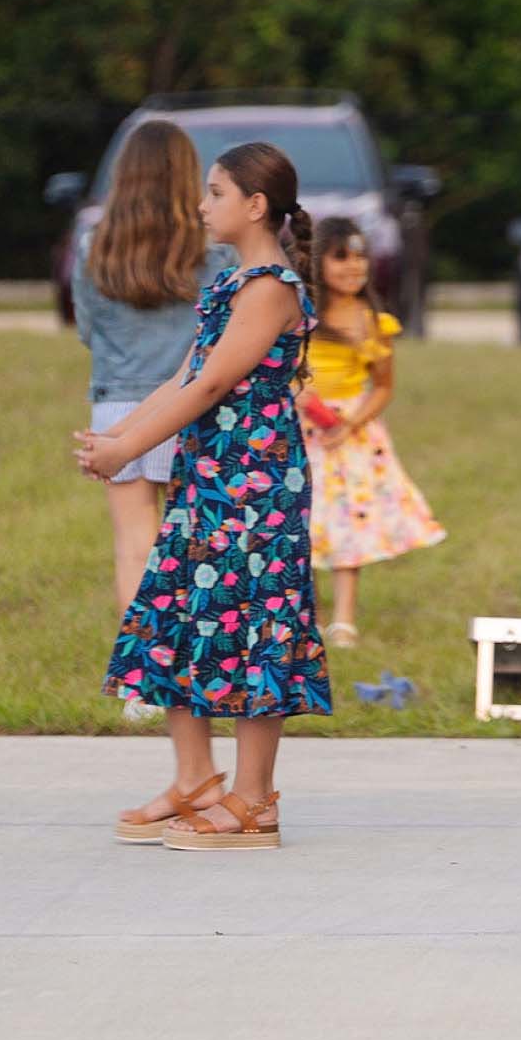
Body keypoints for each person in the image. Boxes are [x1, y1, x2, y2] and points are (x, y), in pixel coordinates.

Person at [80, 142, 331, 850]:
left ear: (255, 205)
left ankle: (255, 801)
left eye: (215, 192)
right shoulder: (232, 281)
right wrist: (118, 436)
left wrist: (130, 450)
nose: (200, 203)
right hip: (211, 479)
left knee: (257, 625)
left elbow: (215, 384)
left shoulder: (270, 286)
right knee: (177, 611)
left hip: (255, 485)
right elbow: (183, 375)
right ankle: (196, 779)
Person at [70, 121, 230, 644]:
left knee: (134, 546)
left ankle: (143, 678)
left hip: (117, 407)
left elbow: (88, 329)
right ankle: (201, 660)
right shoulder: (213, 248)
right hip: (191, 405)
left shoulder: (94, 243)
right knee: (196, 545)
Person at [300, 217, 446, 649]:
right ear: (317, 262)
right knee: (301, 521)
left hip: (348, 432)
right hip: (297, 427)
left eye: (360, 257)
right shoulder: (299, 313)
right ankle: (308, 614)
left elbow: (383, 386)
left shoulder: (371, 321)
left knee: (347, 519)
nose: (353, 267)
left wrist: (349, 424)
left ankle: (344, 619)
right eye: (341, 257)